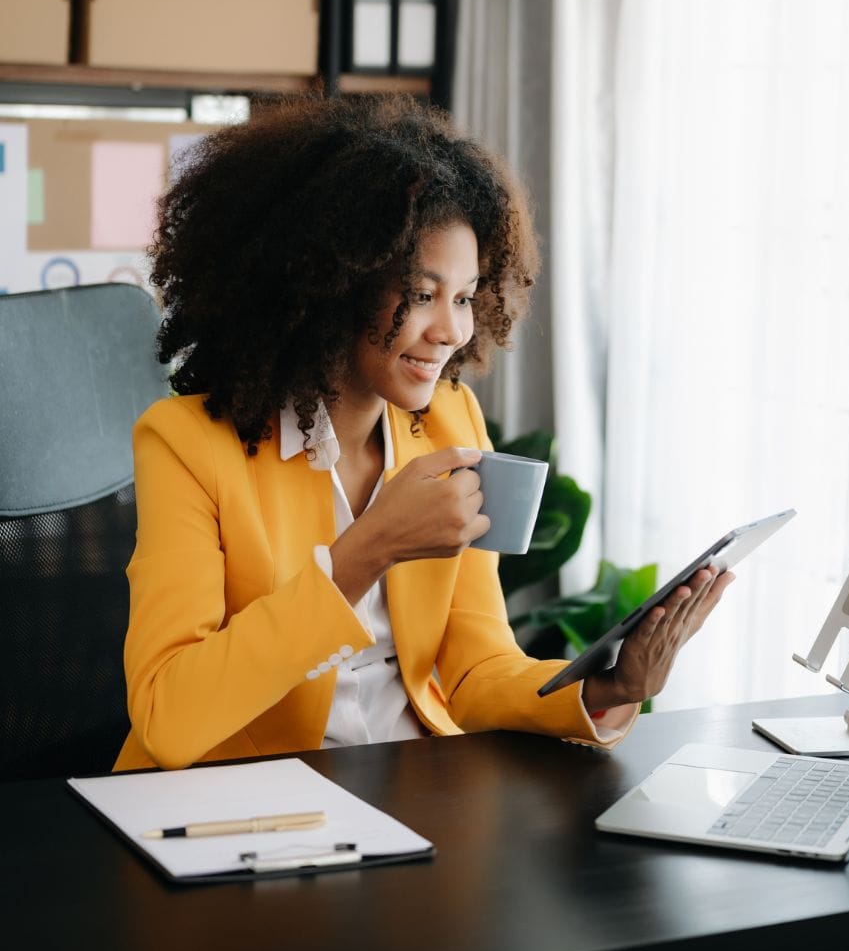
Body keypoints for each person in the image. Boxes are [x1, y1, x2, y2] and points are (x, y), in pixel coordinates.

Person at [114, 95, 733, 771]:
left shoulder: (450, 423)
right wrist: (366, 552)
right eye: (420, 293)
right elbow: (168, 718)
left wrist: (610, 687)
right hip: (247, 810)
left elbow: (474, 669)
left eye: (465, 297)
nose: (453, 331)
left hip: (413, 795)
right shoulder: (186, 445)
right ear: (331, 285)